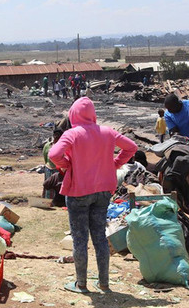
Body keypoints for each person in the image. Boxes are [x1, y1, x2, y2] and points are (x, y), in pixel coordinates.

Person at [48, 97, 137, 293]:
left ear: (73, 115)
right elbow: (131, 147)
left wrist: (68, 165)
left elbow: (54, 155)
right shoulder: (108, 132)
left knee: (80, 239)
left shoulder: (72, 134)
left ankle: (81, 284)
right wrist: (114, 163)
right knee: (99, 237)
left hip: (79, 191)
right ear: (93, 114)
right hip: (103, 191)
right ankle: (104, 283)